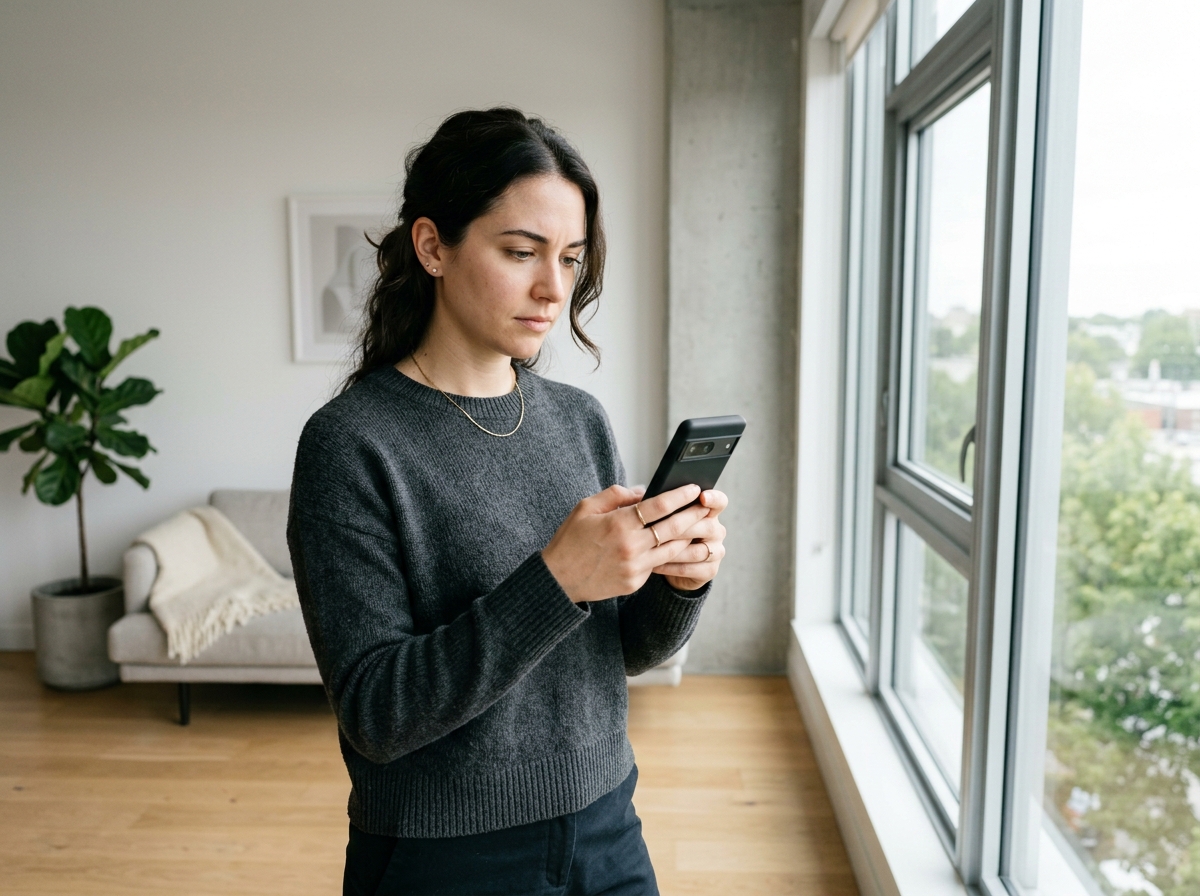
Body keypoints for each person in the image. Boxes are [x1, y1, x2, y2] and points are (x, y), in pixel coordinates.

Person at [287, 107, 729, 896]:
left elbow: (615, 653)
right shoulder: (351, 444)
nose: (553, 288)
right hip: (442, 855)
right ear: (432, 246)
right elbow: (377, 714)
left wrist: (678, 583)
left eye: (570, 257)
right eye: (521, 252)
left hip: (607, 823)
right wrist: (557, 578)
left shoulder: (576, 418)